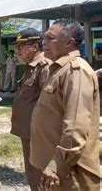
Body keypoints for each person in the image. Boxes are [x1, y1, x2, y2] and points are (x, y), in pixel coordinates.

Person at [30, 19, 100, 190]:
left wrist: (57, 164)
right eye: (43, 38)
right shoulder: (60, 69)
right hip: (54, 170)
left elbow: (76, 126)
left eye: (50, 38)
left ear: (69, 42)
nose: (43, 43)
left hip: (70, 173)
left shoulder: (76, 71)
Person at [10, 28, 51, 190]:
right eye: (17, 46)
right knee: (32, 172)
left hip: (39, 134)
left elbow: (49, 103)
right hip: (29, 132)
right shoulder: (30, 67)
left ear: (35, 46)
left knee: (41, 173)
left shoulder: (44, 67)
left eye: (21, 45)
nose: (18, 49)